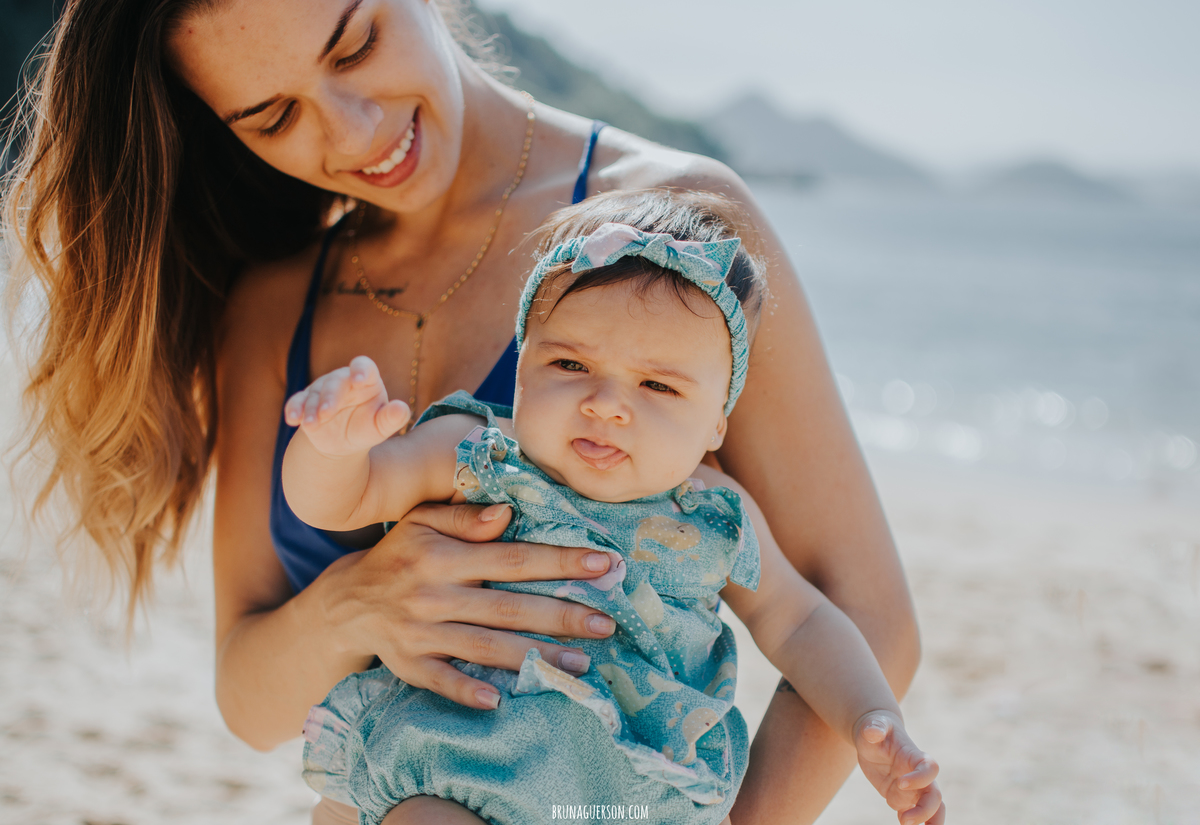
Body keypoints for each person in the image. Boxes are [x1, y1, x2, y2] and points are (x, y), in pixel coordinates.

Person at [2, 1, 936, 823]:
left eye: (357, 42)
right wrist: (361, 603)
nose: (355, 131)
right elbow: (249, 698)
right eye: (274, 115)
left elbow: (867, 616)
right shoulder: (270, 310)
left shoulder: (673, 239)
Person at [281, 192, 943, 825]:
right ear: (523, 369)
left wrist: (869, 717)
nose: (606, 402)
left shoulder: (717, 515)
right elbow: (347, 498)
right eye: (570, 363)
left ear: (718, 421)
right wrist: (331, 448)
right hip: (456, 770)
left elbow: (799, 622)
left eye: (657, 384)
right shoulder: (480, 455)